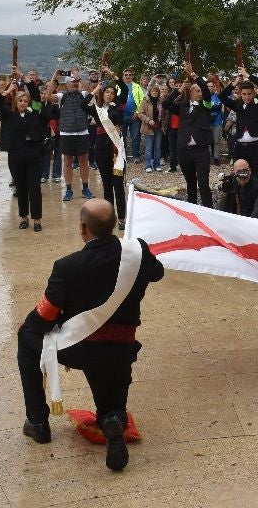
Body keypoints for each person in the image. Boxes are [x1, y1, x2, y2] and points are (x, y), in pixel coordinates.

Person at [16, 199, 164, 470]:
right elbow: (158, 273)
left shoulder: (67, 266)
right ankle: (112, 422)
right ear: (114, 224)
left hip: (78, 347)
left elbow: (44, 318)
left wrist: (28, 324)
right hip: (120, 348)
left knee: (26, 337)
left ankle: (37, 423)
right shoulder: (138, 253)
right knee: (113, 407)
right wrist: (133, 250)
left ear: (83, 228)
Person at [0, 72, 52, 231]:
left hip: (34, 154)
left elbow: (36, 96)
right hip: (16, 155)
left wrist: (25, 79)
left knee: (34, 188)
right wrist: (7, 91)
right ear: (16, 102)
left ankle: (37, 219)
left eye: (25, 100)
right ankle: (23, 217)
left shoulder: (34, 113)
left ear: (28, 102)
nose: (22, 102)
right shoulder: (9, 115)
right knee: (20, 188)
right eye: (20, 100)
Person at [169, 65, 214, 207]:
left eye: (201, 91)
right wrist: (180, 89)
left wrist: (194, 75)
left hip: (201, 149)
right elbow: (166, 104)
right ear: (191, 92)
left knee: (203, 182)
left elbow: (206, 91)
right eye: (197, 91)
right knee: (190, 182)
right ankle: (192, 208)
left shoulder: (206, 105)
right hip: (184, 149)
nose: (200, 93)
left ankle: (208, 210)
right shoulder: (182, 106)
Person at [220, 67, 258, 183]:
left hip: (256, 147)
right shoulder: (237, 105)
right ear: (240, 94)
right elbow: (221, 96)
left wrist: (247, 75)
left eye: (249, 94)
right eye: (244, 94)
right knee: (239, 177)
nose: (247, 97)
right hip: (240, 147)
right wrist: (235, 83)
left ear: (254, 93)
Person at [89, 79, 128, 228]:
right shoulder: (96, 109)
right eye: (107, 92)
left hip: (116, 150)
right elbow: (83, 104)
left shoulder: (117, 108)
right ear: (103, 93)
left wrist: (113, 76)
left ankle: (122, 218)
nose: (109, 94)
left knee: (118, 185)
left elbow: (124, 89)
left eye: (112, 93)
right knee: (107, 185)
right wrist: (96, 89)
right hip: (101, 149)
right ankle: (109, 216)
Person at [55, 75, 95, 203]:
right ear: (67, 84)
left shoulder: (83, 94)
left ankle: (85, 188)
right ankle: (68, 190)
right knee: (67, 162)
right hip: (66, 133)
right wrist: (55, 77)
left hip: (82, 132)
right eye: (72, 82)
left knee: (84, 161)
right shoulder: (61, 96)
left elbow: (92, 91)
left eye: (76, 82)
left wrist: (80, 79)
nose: (75, 83)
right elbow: (49, 96)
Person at [136, 84, 166, 173]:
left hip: (158, 127)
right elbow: (140, 114)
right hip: (148, 127)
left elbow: (163, 114)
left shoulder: (161, 101)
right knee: (149, 148)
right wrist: (148, 120)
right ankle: (148, 165)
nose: (155, 93)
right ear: (150, 92)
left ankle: (157, 164)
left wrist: (163, 124)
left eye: (156, 91)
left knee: (158, 147)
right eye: (153, 91)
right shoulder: (145, 101)